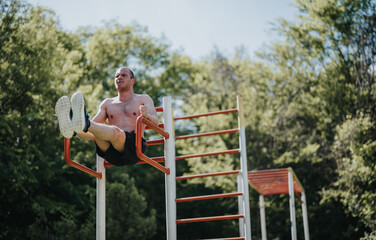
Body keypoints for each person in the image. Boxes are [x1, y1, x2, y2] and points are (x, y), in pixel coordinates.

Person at [55, 67, 159, 166]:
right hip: (111, 154)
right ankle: (73, 129)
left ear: (132, 81)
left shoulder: (143, 99)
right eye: (117, 76)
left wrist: (147, 115)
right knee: (93, 130)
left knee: (114, 131)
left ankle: (83, 123)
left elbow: (156, 123)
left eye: (123, 75)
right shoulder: (107, 103)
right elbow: (92, 131)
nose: (119, 78)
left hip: (134, 148)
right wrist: (79, 131)